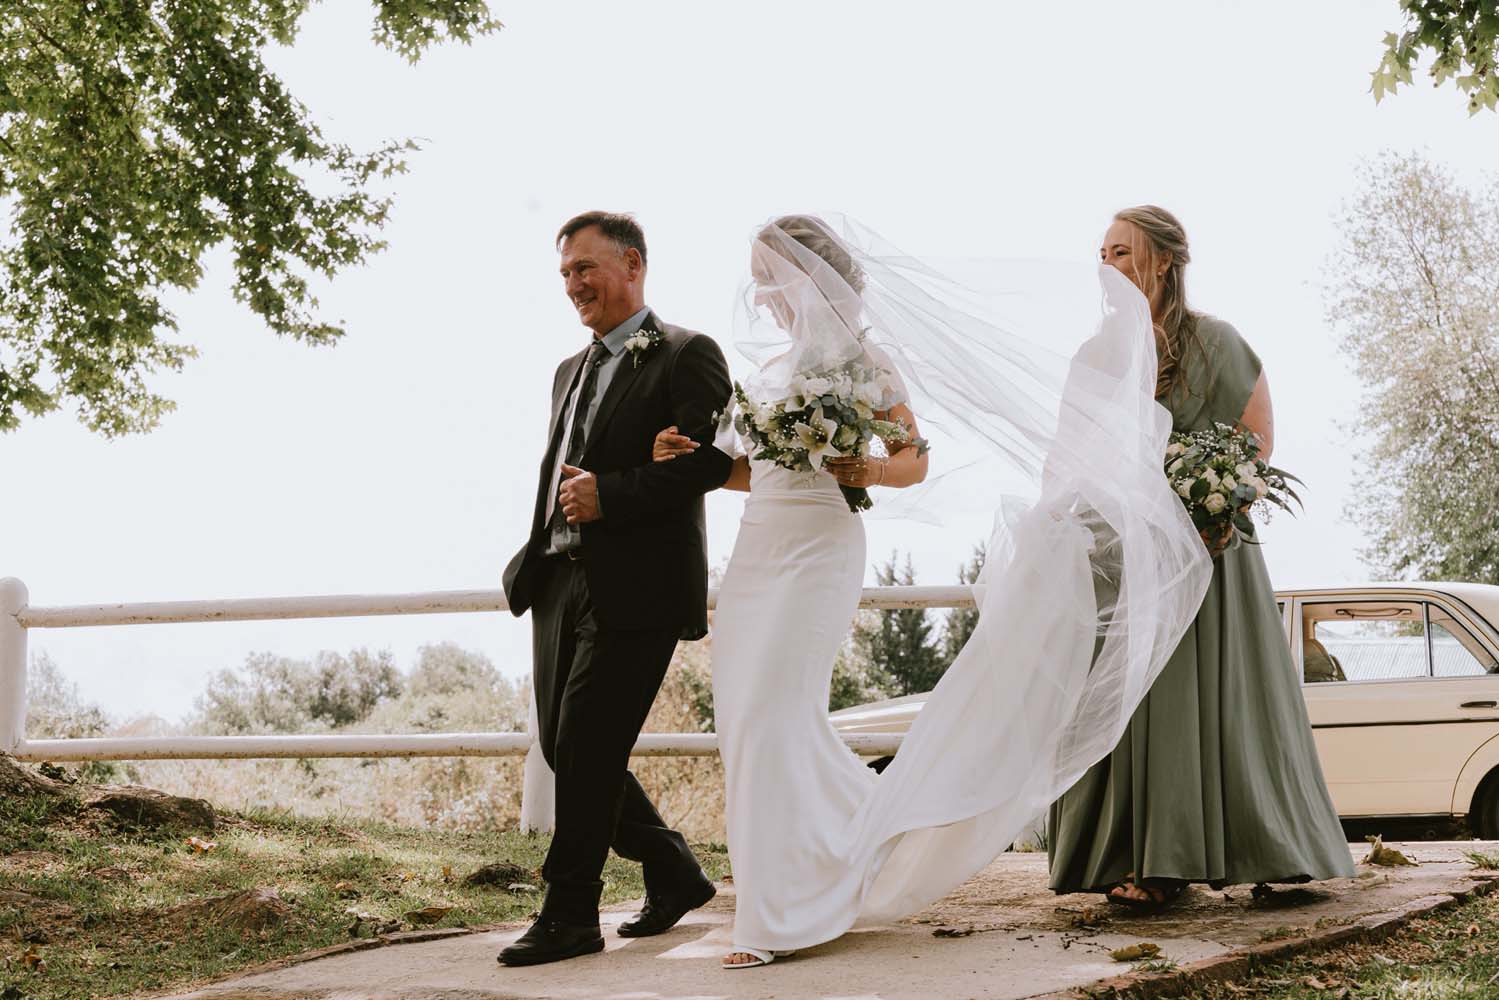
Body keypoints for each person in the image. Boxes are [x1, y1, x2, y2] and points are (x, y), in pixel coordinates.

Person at [652, 214, 1210, 968]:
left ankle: (775, 918)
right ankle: (851, 845)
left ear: (809, 277)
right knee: (746, 721)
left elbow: (910, 458)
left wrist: (869, 472)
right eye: (757, 282)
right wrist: (686, 457)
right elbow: (747, 470)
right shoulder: (770, 372)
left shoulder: (862, 361)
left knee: (779, 715)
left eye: (770, 278)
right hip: (757, 550)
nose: (761, 296)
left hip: (819, 548)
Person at [1047, 205, 1353, 910]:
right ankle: (1149, 861)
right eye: (1101, 252)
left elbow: (1255, 444)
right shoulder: (1096, 357)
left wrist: (1213, 503)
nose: (1106, 265)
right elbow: (1068, 456)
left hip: (1210, 552)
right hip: (1126, 558)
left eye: (1121, 252)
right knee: (1139, 701)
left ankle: (1276, 852)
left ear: (1162, 262)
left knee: (1230, 700)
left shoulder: (1217, 341)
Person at [498, 211, 731, 966]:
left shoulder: (687, 354)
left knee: (588, 747)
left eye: (585, 269)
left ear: (632, 264)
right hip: (558, 578)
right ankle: (673, 870)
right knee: (566, 750)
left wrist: (614, 494)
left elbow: (706, 463)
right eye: (565, 272)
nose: (573, 285)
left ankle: (569, 914)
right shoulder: (568, 370)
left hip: (639, 584)